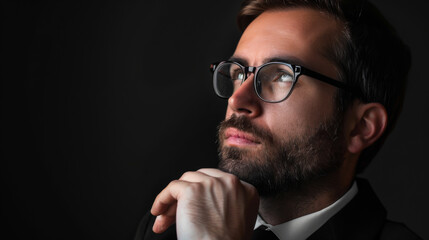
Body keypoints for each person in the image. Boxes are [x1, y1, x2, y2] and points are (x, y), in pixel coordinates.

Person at [135, 0, 421, 239]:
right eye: (238, 73)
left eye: (282, 75)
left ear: (361, 127)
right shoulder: (168, 230)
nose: (237, 100)